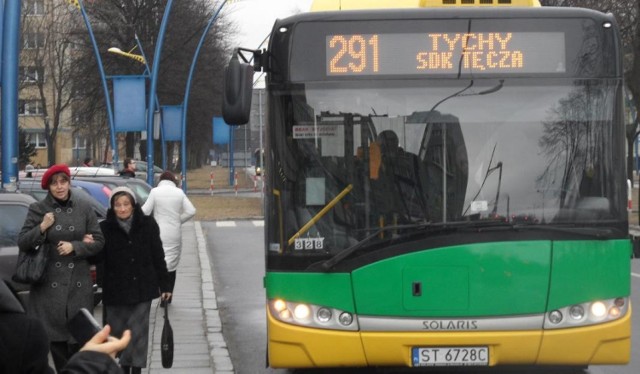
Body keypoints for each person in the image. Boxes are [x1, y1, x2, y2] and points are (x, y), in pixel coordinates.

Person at [17, 163, 105, 372]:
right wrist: (42, 227)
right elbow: (23, 242)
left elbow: (99, 241)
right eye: (54, 183)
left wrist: (75, 246)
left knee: (79, 341)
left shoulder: (83, 207)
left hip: (78, 285)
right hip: (49, 288)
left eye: (63, 181)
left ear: (69, 182)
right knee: (56, 346)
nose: (59, 187)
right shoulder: (38, 209)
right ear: (48, 187)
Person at [99, 186, 172, 374]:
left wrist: (165, 285)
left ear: (133, 205)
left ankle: (137, 371)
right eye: (118, 205)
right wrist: (90, 245)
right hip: (116, 292)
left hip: (142, 289)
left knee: (138, 335)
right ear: (112, 207)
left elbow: (158, 255)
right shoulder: (104, 228)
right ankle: (123, 369)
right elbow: (98, 260)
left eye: (126, 204)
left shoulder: (147, 224)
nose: (122, 209)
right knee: (119, 336)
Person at [0, 280, 131, 374]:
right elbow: (26, 245)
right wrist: (89, 364)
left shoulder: (21, 331)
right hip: (49, 296)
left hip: (75, 292)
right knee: (57, 347)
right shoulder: (21, 331)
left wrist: (77, 247)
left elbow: (97, 247)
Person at [142, 171, 196, 302]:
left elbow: (145, 211)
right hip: (174, 232)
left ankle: (160, 291)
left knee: (159, 262)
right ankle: (168, 295)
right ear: (173, 181)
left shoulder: (155, 192)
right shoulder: (179, 193)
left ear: (160, 180)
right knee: (172, 265)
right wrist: (179, 220)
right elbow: (191, 211)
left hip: (158, 231)